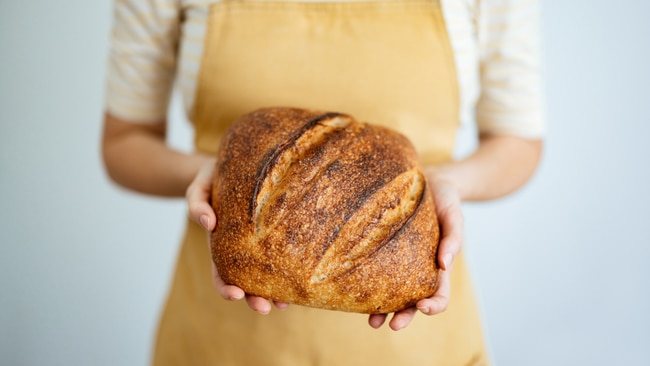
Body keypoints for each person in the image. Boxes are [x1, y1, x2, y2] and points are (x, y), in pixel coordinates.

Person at [101, 0, 544, 364]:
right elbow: (123, 142)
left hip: (417, 342)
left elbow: (519, 142)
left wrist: (445, 183)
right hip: (223, 336)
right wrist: (209, 176)